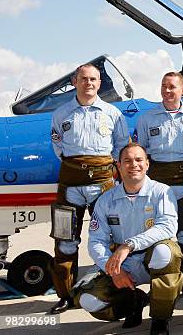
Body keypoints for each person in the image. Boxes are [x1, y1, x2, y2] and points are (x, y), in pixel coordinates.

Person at [75, 143, 182, 335]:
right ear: (118, 165)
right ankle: (134, 302)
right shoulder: (106, 200)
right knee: (88, 300)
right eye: (128, 161)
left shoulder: (162, 192)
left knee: (165, 252)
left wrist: (129, 245)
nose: (134, 165)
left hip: (152, 259)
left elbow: (167, 227)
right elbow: (96, 241)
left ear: (147, 164)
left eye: (139, 160)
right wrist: (113, 270)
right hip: (122, 264)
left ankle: (160, 319)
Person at [49, 63, 129, 314]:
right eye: (84, 79)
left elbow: (120, 146)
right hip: (70, 183)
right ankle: (65, 296)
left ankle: (114, 289)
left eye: (94, 79)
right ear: (75, 81)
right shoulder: (61, 113)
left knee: (111, 238)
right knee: (65, 241)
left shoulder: (112, 113)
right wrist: (79, 166)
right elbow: (58, 146)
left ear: (99, 83)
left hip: (103, 183)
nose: (89, 83)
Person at [135, 71, 183, 278]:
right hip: (156, 180)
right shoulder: (147, 119)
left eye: (172, 87)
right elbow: (140, 150)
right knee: (155, 228)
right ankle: (161, 274)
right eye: (164, 86)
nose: (167, 91)